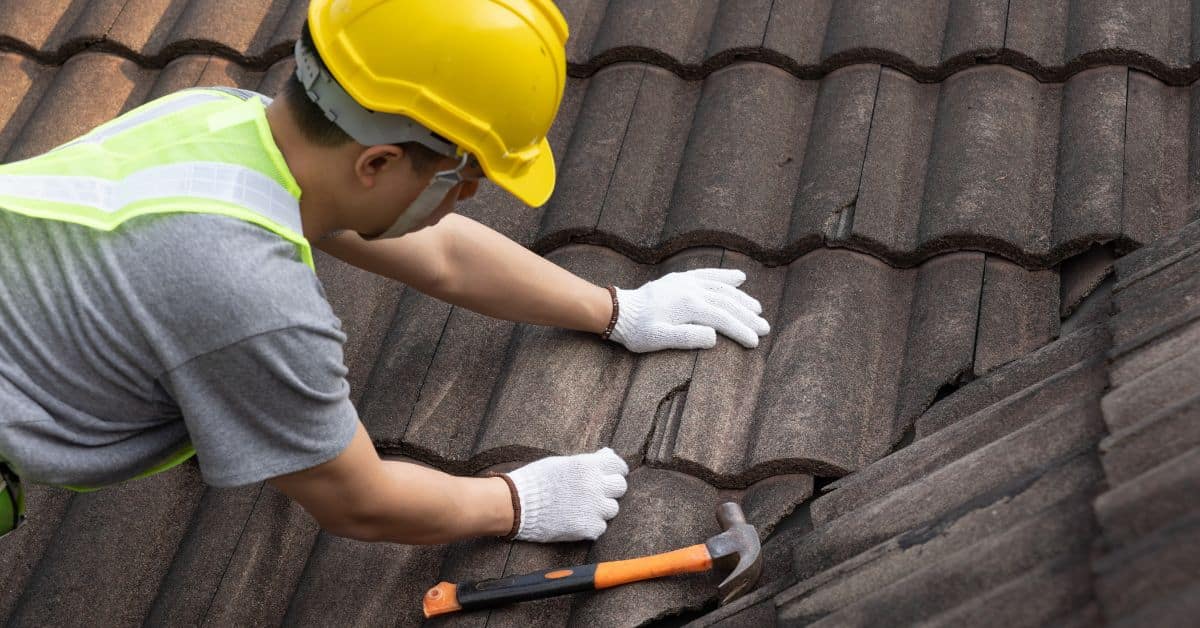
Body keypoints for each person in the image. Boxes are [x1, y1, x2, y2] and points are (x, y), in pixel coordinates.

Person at [0, 0, 769, 545]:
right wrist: (513, 500)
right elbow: (358, 501)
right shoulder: (249, 296)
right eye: (463, 181)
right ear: (377, 161)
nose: (464, 200)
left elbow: (441, 254)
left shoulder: (221, 117)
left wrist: (615, 308)